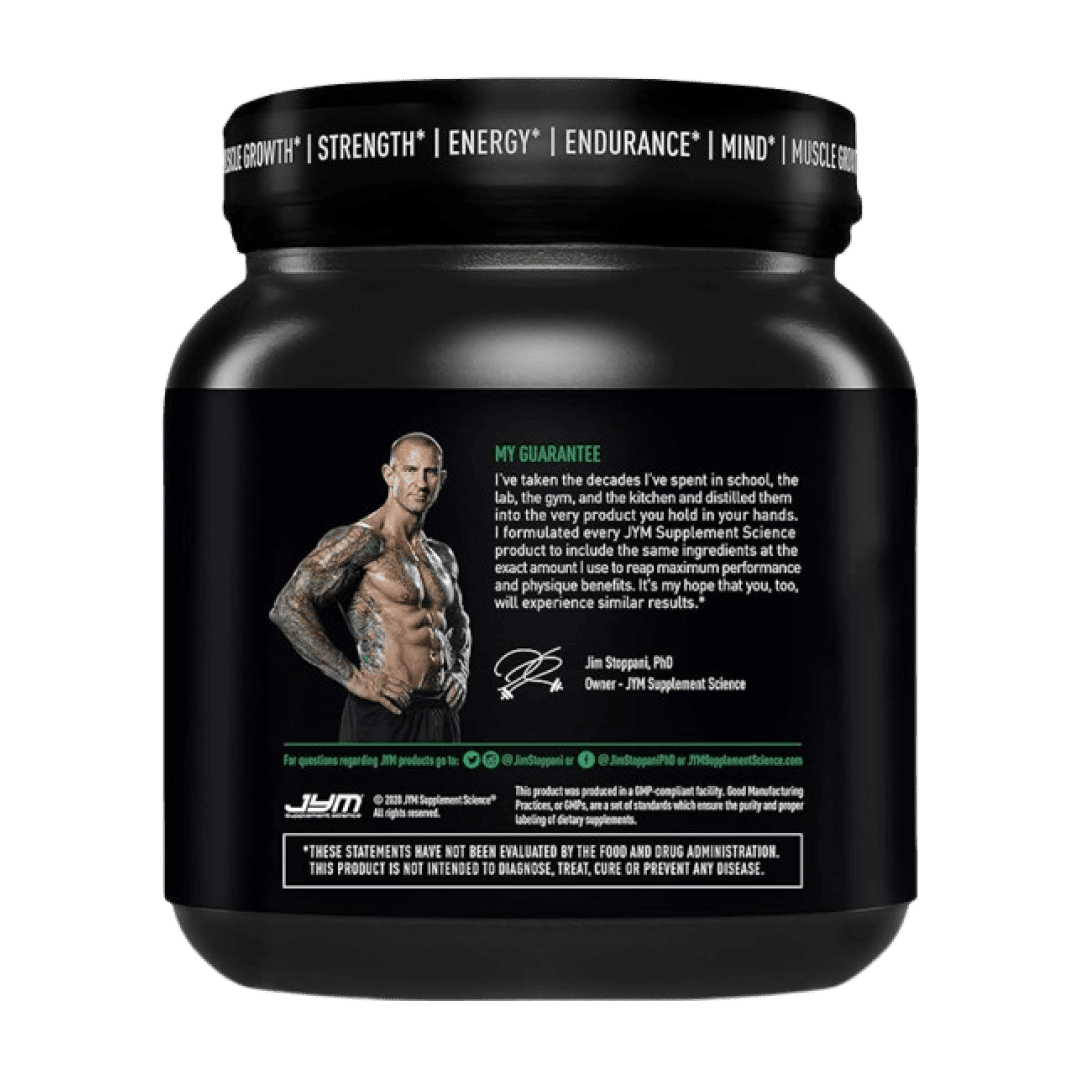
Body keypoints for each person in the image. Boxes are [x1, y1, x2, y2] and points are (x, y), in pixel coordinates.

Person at [270, 433, 470, 742]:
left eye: (430, 472)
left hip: (439, 713)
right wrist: (353, 678)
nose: (421, 482)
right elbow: (288, 607)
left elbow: (458, 621)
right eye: (410, 470)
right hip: (384, 712)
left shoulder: (441, 555)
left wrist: (460, 670)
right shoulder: (363, 541)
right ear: (389, 474)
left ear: (441, 479)